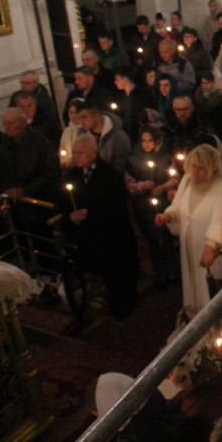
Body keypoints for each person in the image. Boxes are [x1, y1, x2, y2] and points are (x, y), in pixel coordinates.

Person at [63, 133, 139, 319]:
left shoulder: (109, 175)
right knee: (104, 271)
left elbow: (116, 205)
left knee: (119, 271)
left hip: (112, 234)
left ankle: (124, 303)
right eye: (74, 153)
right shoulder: (73, 175)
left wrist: (90, 213)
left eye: (80, 153)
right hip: (91, 235)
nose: (76, 156)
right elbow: (64, 200)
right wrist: (70, 214)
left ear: (93, 153)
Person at [156, 144, 222, 313]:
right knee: (192, 284)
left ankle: (214, 327)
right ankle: (193, 320)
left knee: (209, 289)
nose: (196, 172)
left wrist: (210, 246)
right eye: (194, 166)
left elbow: (221, 218)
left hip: (208, 248)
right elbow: (178, 206)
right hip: (189, 247)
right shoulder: (186, 180)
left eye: (202, 168)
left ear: (212, 168)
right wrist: (168, 215)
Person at [162, 329, 222, 442]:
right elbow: (188, 394)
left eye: (171, 371)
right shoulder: (216, 368)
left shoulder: (200, 414)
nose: (169, 376)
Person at [125, 125, 179, 289]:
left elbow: (174, 177)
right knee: (153, 241)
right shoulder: (133, 159)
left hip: (163, 202)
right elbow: (128, 183)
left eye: (150, 140)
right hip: (143, 206)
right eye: (144, 141)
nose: (147, 144)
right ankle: (160, 274)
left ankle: (173, 273)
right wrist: (142, 185)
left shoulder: (165, 157)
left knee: (167, 239)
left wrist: (163, 187)